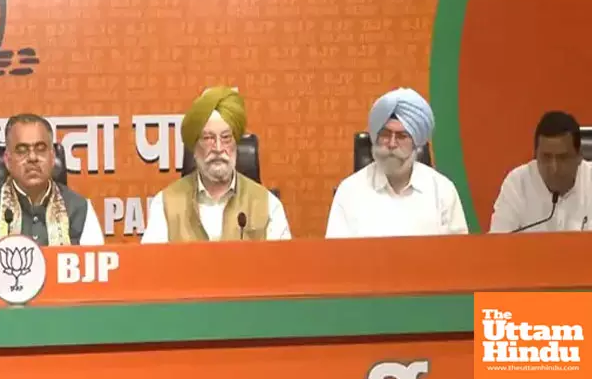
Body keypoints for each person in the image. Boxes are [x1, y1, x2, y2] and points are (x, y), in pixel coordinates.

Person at [142, 86, 291, 242]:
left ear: (236, 143)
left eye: (226, 138)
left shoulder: (268, 206)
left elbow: (282, 258)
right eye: (208, 138)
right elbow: (151, 258)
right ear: (194, 148)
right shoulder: (165, 205)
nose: (218, 149)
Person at [325, 87, 468, 238]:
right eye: (385, 134)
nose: (392, 144)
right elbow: (336, 251)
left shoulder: (442, 190)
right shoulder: (349, 191)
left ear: (415, 143)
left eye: (401, 136)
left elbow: (459, 250)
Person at [0, 114, 104, 246]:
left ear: (52, 157)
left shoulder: (80, 209)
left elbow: (95, 257)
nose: (32, 157)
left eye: (40, 149)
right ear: (7, 160)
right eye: (22, 150)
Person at [490, 111, 591, 233]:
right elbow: (498, 239)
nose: (554, 168)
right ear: (536, 155)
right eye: (546, 157)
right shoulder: (518, 184)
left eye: (563, 158)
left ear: (579, 156)